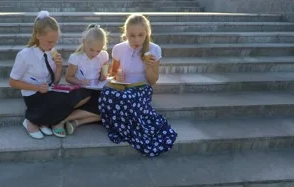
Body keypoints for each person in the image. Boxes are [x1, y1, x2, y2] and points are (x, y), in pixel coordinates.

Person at [98, 14, 178, 157]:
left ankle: (124, 127)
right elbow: (113, 72)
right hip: (123, 86)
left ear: (147, 33)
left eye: (141, 35)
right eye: (132, 35)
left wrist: (149, 67)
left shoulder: (154, 50)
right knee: (107, 94)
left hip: (142, 88)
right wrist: (117, 75)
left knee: (127, 99)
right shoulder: (118, 48)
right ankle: (122, 125)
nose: (136, 40)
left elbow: (153, 81)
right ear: (126, 34)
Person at [9, 11, 90, 139]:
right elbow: (12, 82)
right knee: (61, 100)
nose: (52, 45)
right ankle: (31, 119)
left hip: (48, 91)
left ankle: (44, 120)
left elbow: (55, 83)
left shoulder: (51, 52)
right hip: (33, 95)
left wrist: (58, 68)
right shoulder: (24, 55)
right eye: (49, 41)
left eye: (55, 42)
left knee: (84, 94)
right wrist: (37, 88)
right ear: (38, 35)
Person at [62, 24, 109, 135]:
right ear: (84, 42)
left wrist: (104, 77)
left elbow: (104, 74)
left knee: (109, 105)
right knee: (99, 105)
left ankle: (75, 122)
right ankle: (64, 120)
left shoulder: (103, 55)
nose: (94, 54)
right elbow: (68, 77)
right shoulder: (76, 57)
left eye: (98, 51)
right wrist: (80, 81)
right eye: (91, 50)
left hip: (96, 89)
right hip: (82, 91)